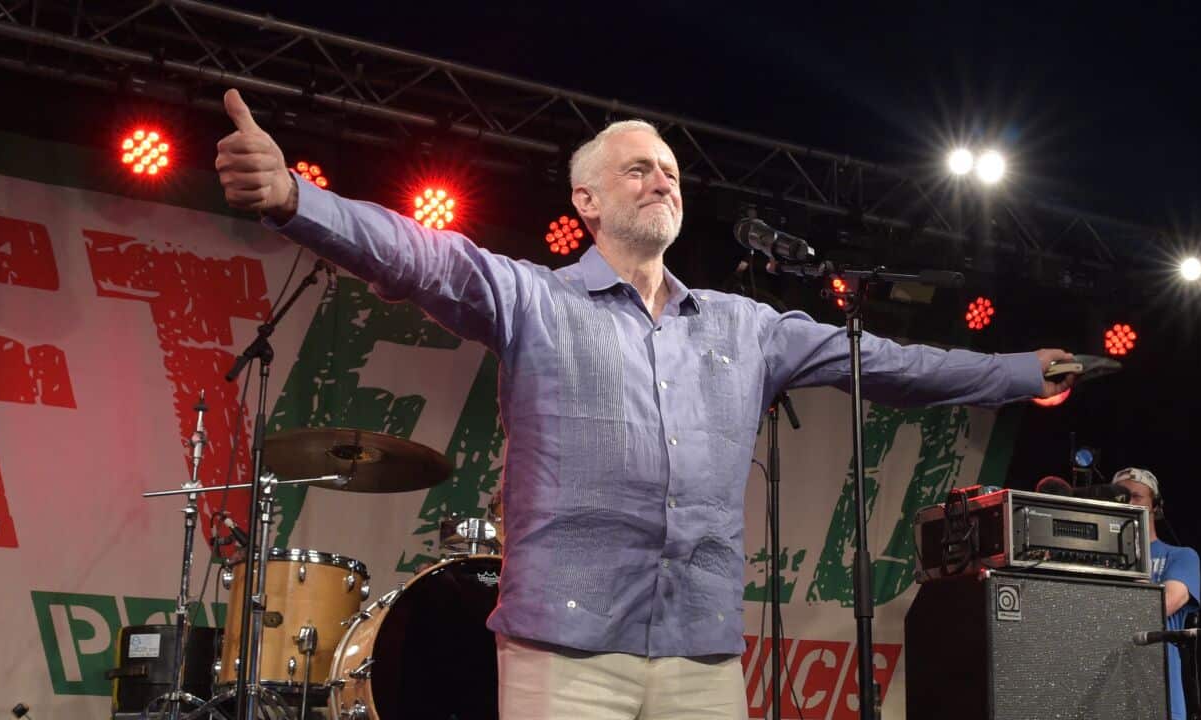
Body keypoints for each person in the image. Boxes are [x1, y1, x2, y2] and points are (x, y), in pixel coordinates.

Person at [215, 88, 1077, 719]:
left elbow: (887, 364)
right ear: (586, 202)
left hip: (700, 651)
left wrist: (1014, 373)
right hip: (566, 647)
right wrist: (296, 199)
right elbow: (421, 258)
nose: (661, 181)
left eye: (669, 171)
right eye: (637, 170)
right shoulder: (535, 301)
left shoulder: (745, 327)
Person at [1114, 467, 1201, 720]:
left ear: (1156, 507)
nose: (1128, 503)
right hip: (1108, 682)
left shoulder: (1181, 556)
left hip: (1159, 689)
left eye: (1136, 496)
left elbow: (1168, 602)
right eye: (1120, 496)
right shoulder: (1095, 561)